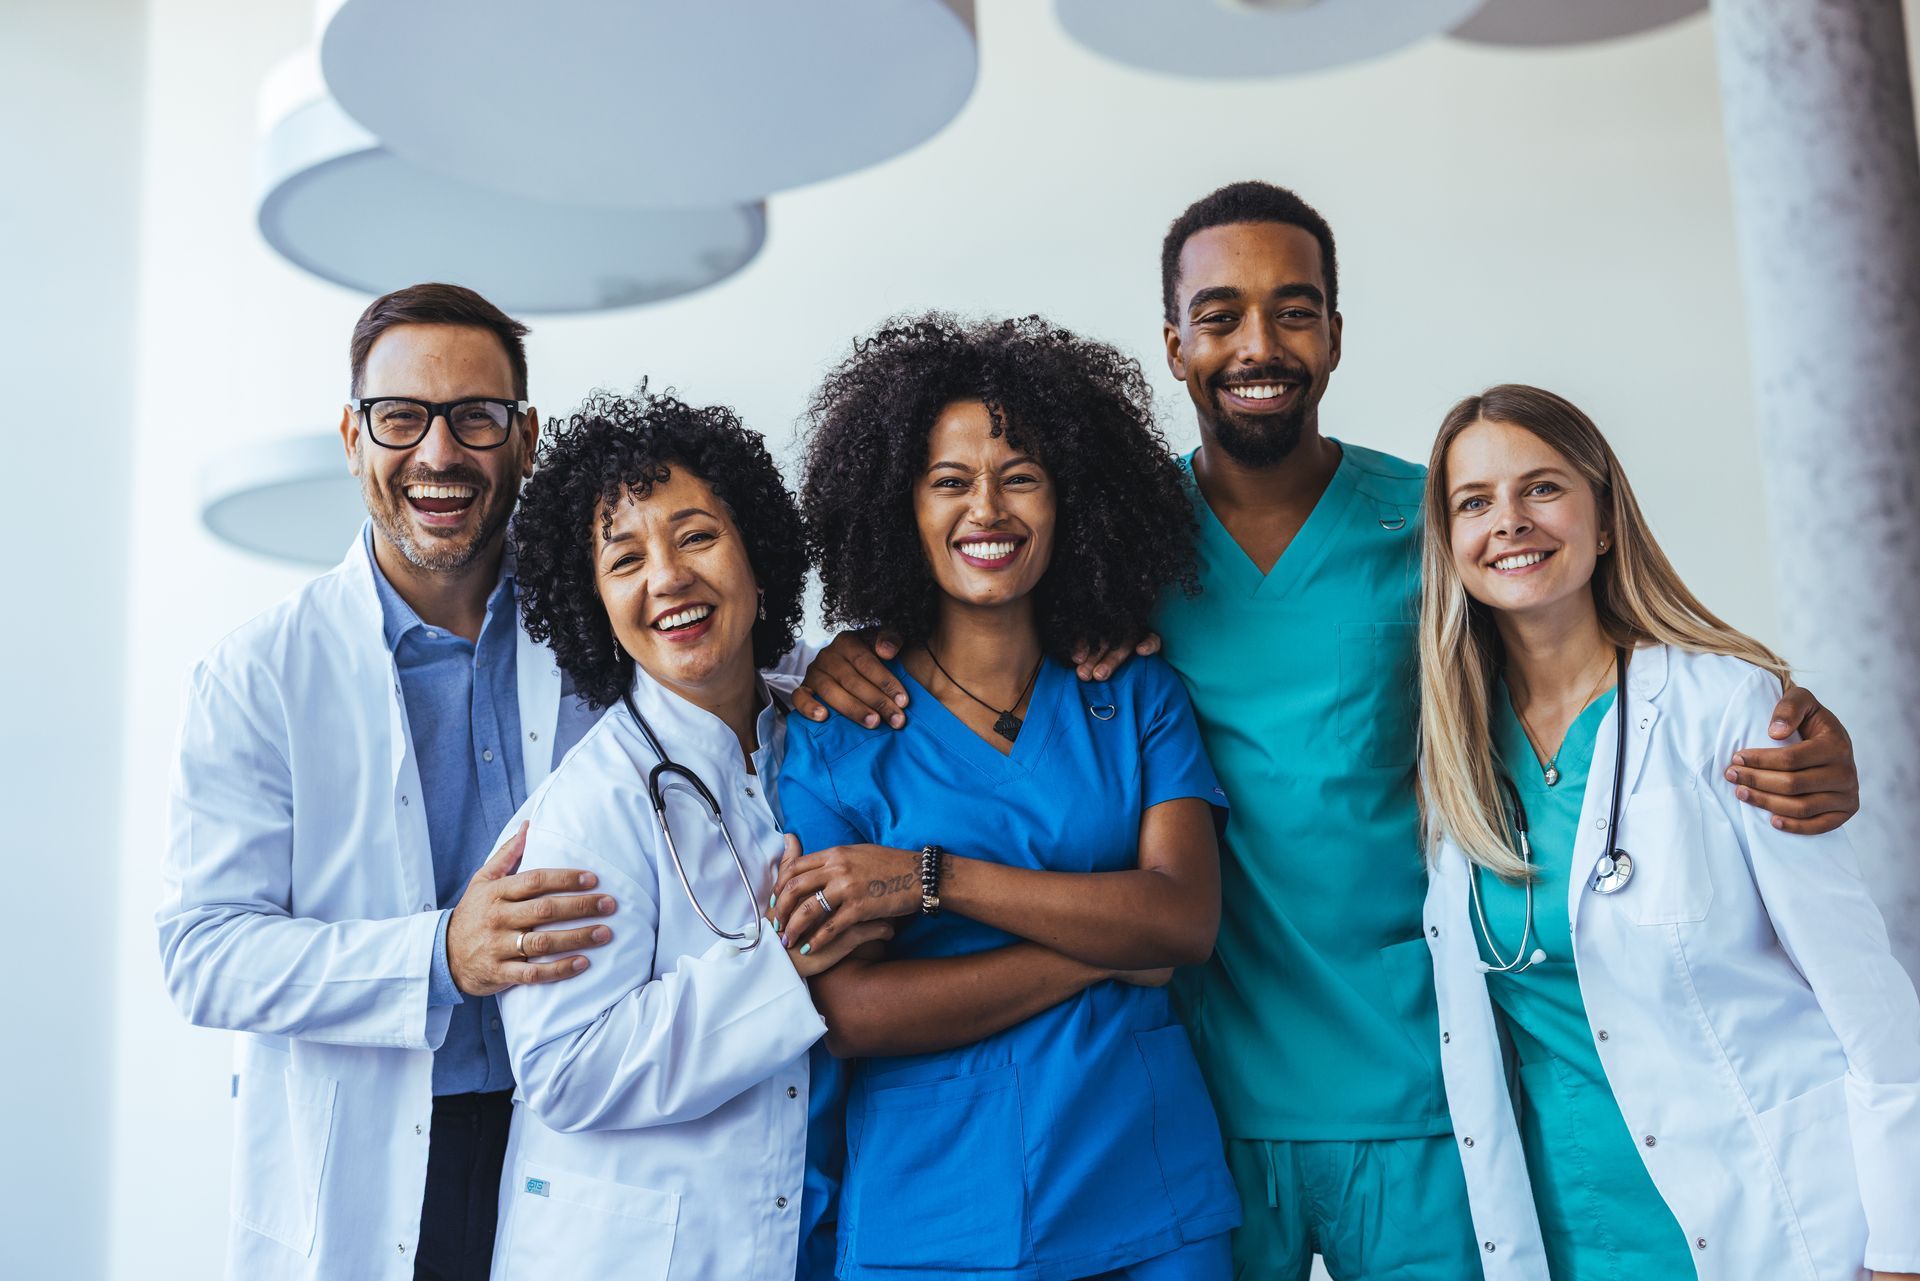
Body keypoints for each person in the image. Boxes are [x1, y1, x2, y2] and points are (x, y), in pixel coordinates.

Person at [796, 183, 1865, 1280]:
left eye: (1293, 309)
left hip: (1418, 1090)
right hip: (1203, 1098)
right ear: (1172, 345)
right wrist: (838, 651)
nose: (1257, 343)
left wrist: (1803, 721)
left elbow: (1594, 659)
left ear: (1336, 334)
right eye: (1219, 316)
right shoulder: (1118, 554)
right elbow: (968, 603)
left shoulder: (1436, 528)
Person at [159, 284, 622, 1281]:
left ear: (527, 437)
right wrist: (441, 955)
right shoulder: (261, 674)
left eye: (476, 418)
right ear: (352, 435)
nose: (440, 453)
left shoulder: (610, 620)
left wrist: (843, 663)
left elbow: (749, 678)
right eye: (401, 417)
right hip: (382, 1161)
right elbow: (204, 953)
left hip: (592, 1135)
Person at [771, 314, 1241, 1281]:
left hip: (1148, 1200)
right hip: (935, 1218)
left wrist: (932, 880)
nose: (988, 509)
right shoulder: (836, 733)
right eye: (950, 481)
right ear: (900, 507)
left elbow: (1183, 921)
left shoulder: (1135, 693)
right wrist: (1099, 952)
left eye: (1021, 476)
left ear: (1073, 499)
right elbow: (852, 1008)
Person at [1417, 384, 1920, 1281]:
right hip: (1571, 1236)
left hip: (1777, 1223)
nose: (1509, 522)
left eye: (1542, 488)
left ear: (1604, 518)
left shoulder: (1725, 709)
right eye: (1474, 502)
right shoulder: (1453, 753)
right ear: (1449, 545)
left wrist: (1903, 1249)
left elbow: (1868, 997)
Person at [489, 390, 887, 1280]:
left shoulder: (820, 731)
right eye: (624, 557)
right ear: (593, 597)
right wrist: (785, 966)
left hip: (813, 1230)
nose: (667, 577)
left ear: (756, 551)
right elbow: (565, 1065)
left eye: (697, 536)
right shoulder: (591, 804)